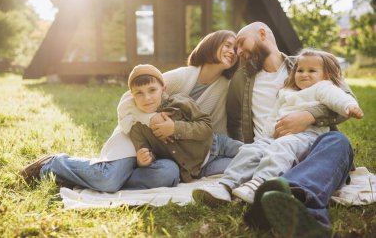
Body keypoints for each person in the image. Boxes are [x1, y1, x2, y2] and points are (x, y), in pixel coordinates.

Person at [19, 30, 239, 192]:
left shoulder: (222, 86)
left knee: (165, 174)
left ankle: (92, 178)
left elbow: (213, 125)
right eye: (227, 45)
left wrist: (195, 154)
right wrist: (151, 119)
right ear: (212, 44)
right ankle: (56, 163)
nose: (232, 51)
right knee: (108, 181)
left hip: (164, 150)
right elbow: (130, 99)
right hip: (134, 132)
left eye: (236, 49)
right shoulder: (183, 75)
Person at [192, 22, 355, 237]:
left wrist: (309, 115)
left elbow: (346, 101)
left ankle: (274, 200)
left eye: (241, 43)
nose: (238, 52)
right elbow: (234, 123)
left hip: (312, 148)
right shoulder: (241, 78)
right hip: (266, 153)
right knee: (260, 153)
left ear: (262, 34)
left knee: (339, 142)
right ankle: (290, 203)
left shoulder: (305, 66)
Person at [227, 48, 363, 203]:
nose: (304, 74)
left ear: (326, 75)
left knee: (281, 147)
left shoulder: (323, 87)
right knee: (251, 149)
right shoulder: (286, 92)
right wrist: (265, 138)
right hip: (280, 138)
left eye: (312, 71)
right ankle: (227, 183)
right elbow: (274, 117)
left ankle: (260, 182)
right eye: (300, 70)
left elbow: (338, 97)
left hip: (307, 137)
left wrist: (349, 106)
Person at [127, 64, 242, 182]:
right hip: (200, 169)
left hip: (217, 145)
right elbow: (149, 153)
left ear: (163, 88)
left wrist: (175, 128)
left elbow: (206, 127)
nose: (147, 98)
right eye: (139, 93)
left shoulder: (179, 101)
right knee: (243, 166)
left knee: (251, 152)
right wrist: (144, 160)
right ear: (132, 96)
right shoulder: (137, 127)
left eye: (152, 90)